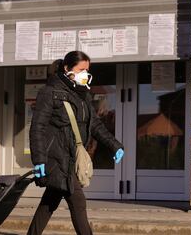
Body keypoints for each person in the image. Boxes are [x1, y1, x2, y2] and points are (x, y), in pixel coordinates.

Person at [27, 51, 124, 235]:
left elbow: (95, 124)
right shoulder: (49, 93)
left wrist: (114, 145)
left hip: (71, 157)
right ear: (67, 68)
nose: (85, 74)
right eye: (81, 69)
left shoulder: (83, 95)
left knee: (50, 201)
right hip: (57, 158)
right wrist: (39, 159)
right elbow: (37, 127)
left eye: (87, 70)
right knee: (78, 202)